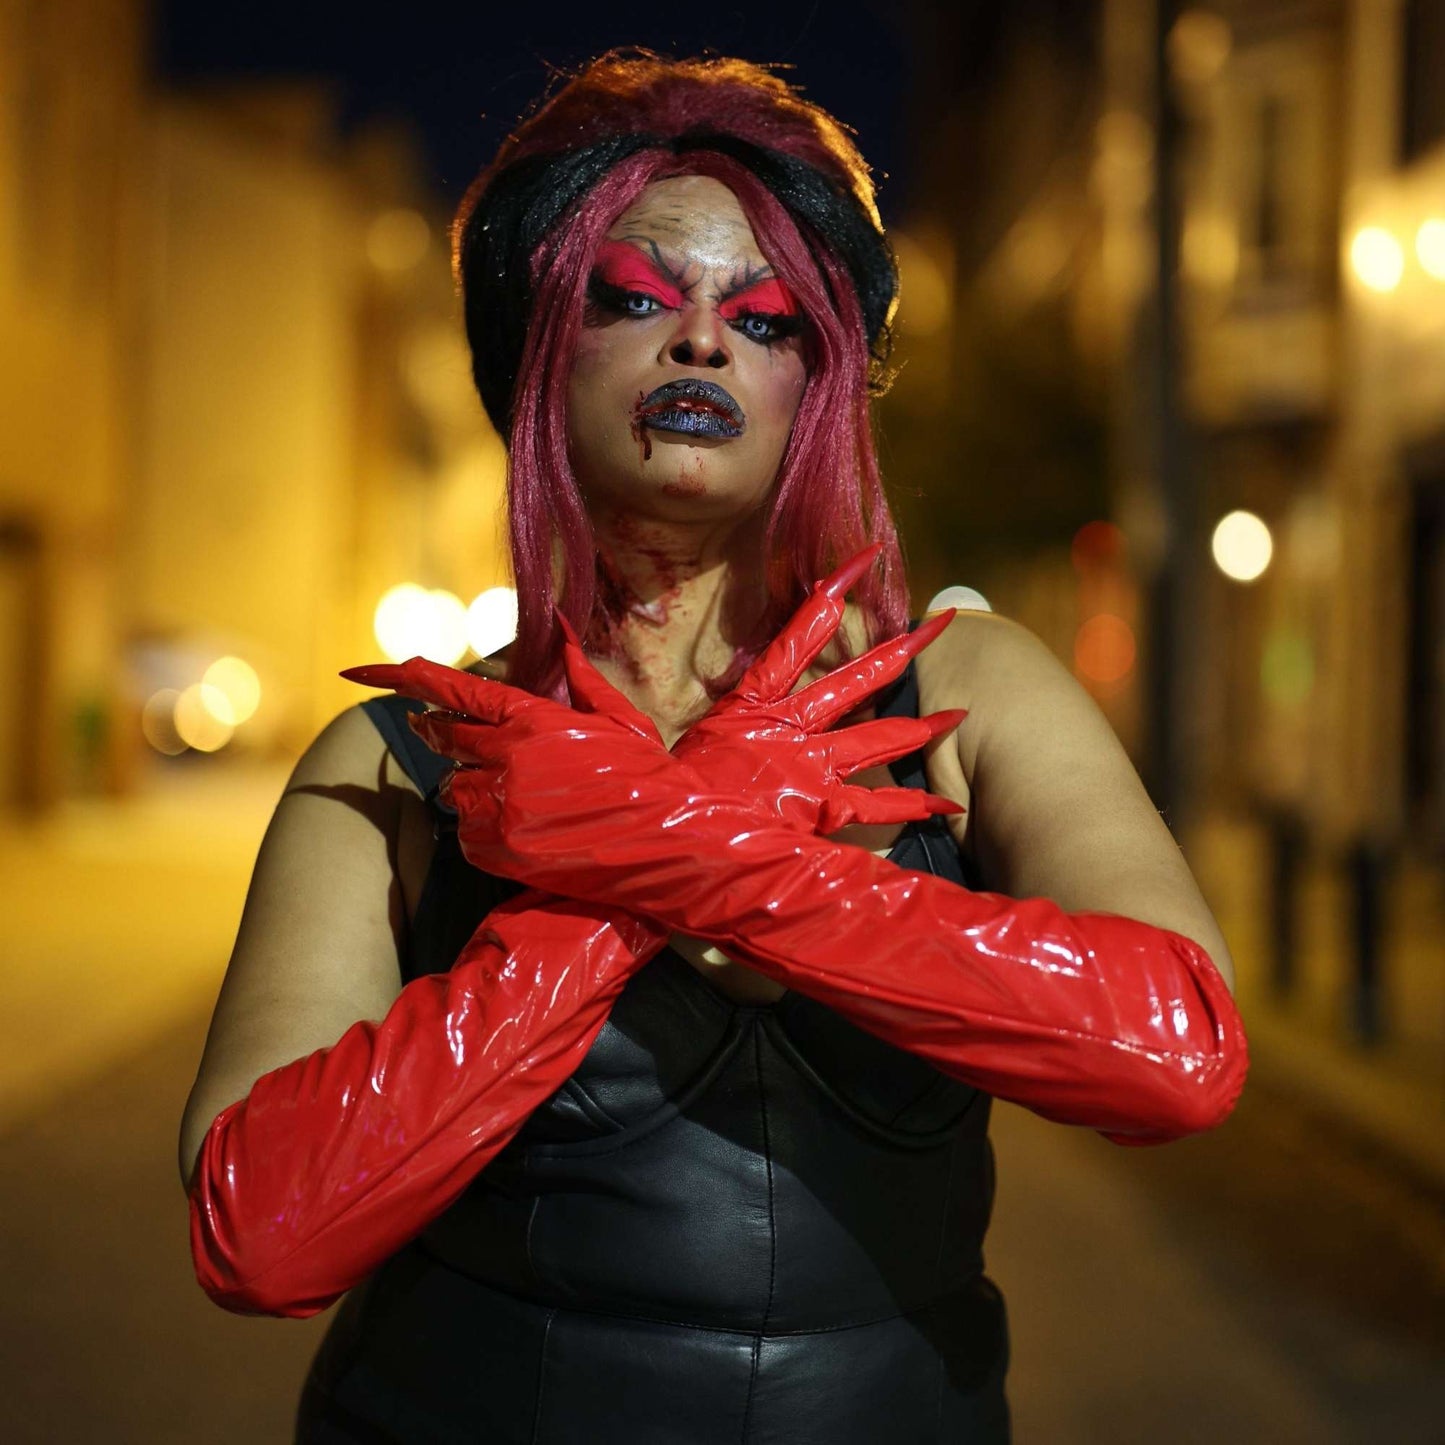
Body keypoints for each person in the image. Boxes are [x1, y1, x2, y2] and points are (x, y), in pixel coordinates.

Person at [178, 51, 1248, 1443]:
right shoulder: (393, 760)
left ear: (822, 381)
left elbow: (1178, 1049)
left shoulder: (965, 694)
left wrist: (693, 850)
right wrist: (614, 895)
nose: (700, 341)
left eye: (763, 317)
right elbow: (258, 1228)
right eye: (632, 298)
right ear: (532, 356)